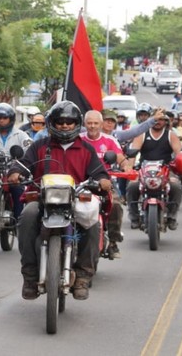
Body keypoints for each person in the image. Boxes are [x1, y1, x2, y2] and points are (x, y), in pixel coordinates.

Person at [8, 101, 111, 301]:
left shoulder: (86, 149)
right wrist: (15, 172)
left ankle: (82, 276)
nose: (65, 125)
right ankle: (29, 276)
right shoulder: (40, 146)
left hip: (76, 199)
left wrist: (103, 181)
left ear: (76, 124)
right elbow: (23, 164)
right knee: (27, 216)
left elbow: (99, 173)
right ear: (52, 123)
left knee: (93, 223)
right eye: (60, 121)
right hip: (42, 198)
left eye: (69, 122)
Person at [127, 110, 182, 230]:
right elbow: (133, 154)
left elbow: (179, 154)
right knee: (132, 186)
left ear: (166, 122)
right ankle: (134, 217)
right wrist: (129, 170)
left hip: (166, 170)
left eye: (162, 119)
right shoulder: (142, 134)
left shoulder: (170, 135)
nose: (158, 122)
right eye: (156, 119)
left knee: (176, 186)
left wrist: (180, 165)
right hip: (144, 170)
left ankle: (172, 217)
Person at [80, 110, 125, 260]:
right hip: (81, 183)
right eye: (89, 123)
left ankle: (113, 242)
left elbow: (120, 158)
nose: (92, 126)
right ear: (84, 124)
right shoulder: (77, 140)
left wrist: (127, 167)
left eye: (95, 123)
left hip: (104, 184)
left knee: (116, 205)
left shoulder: (110, 140)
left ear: (101, 124)